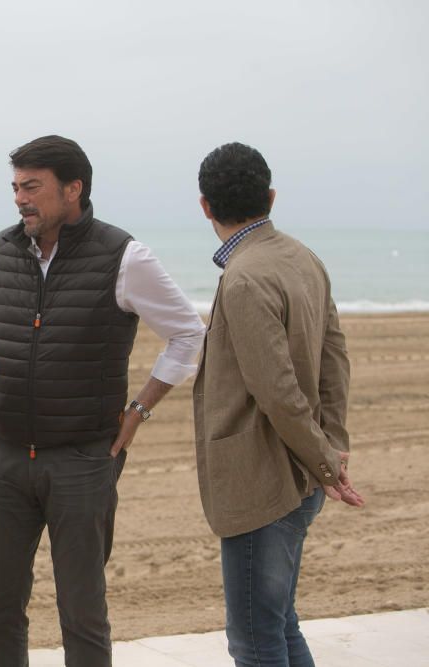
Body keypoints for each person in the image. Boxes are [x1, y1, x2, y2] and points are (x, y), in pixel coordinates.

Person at [0, 135, 205, 666]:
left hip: (83, 460)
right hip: (8, 455)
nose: (20, 199)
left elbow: (188, 334)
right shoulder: (1, 250)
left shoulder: (124, 256)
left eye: (32, 187)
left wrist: (140, 408)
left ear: (73, 189)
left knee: (82, 612)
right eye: (16, 187)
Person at [193, 142, 364, 667]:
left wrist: (324, 459)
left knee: (255, 639)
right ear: (270, 196)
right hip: (301, 472)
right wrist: (330, 446)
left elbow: (277, 392)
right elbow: (334, 358)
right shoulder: (301, 257)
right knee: (279, 626)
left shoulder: (245, 276)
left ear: (205, 206)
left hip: (263, 481)